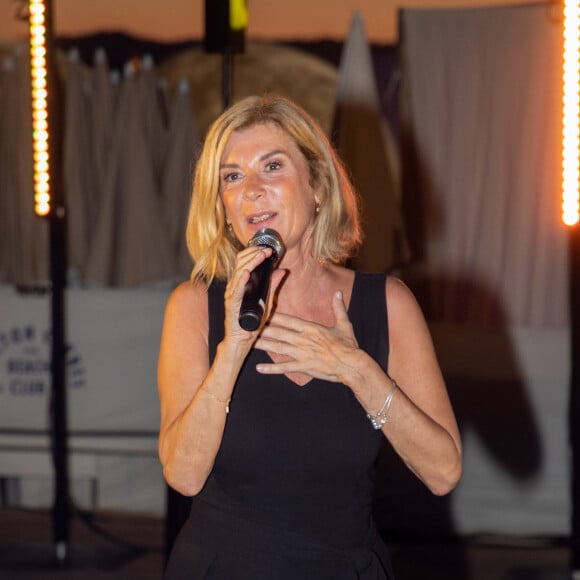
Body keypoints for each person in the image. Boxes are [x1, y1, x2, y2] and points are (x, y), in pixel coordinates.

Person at [157, 94, 462, 579]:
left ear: (318, 185)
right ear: (223, 208)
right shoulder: (195, 307)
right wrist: (232, 349)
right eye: (231, 177)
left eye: (271, 167)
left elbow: (443, 472)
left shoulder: (387, 304)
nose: (251, 191)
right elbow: (184, 475)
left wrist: (356, 369)